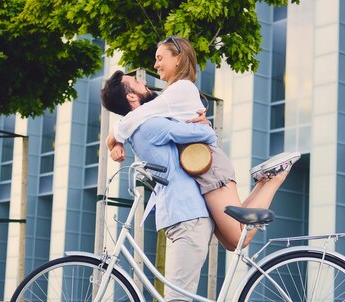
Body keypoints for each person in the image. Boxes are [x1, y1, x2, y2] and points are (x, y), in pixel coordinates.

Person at [106, 36, 300, 251]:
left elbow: (133, 119)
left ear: (178, 58)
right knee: (232, 242)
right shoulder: (170, 94)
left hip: (210, 167)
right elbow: (138, 117)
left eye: (160, 58)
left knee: (238, 239)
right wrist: (117, 142)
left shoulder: (181, 89)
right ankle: (264, 181)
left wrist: (112, 141)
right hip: (201, 167)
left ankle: (274, 179)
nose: (155, 65)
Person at [101, 70, 217, 302]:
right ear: (133, 98)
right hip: (187, 214)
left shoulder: (140, 124)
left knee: (175, 296)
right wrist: (201, 125)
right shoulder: (150, 124)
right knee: (177, 298)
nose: (146, 83)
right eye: (138, 83)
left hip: (179, 213)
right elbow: (208, 138)